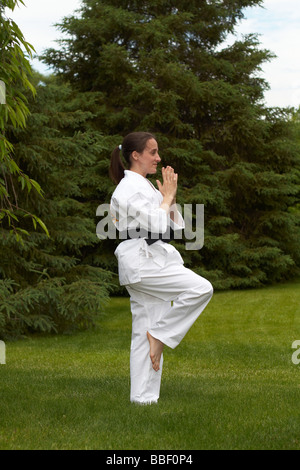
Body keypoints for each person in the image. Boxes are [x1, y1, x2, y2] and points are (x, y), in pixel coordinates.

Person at [109, 132, 213, 405]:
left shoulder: (145, 187)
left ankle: (143, 399)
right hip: (142, 262)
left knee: (143, 328)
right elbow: (156, 224)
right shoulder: (127, 188)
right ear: (136, 155)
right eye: (153, 152)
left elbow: (174, 226)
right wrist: (165, 198)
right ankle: (161, 335)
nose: (158, 157)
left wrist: (169, 196)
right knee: (201, 288)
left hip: (151, 258)